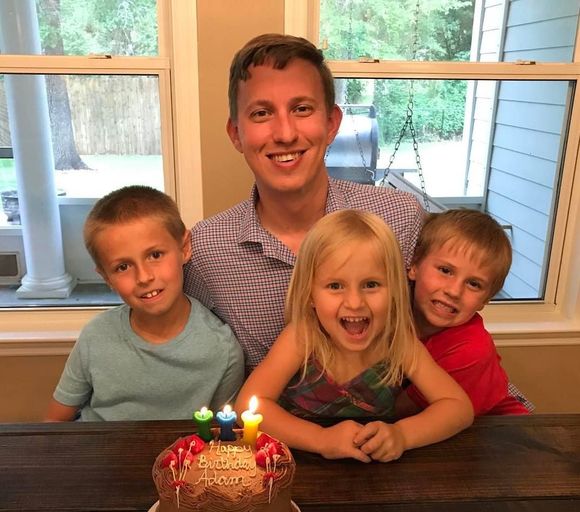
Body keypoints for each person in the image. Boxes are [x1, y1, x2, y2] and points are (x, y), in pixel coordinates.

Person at [183, 33, 425, 372]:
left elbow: (449, 338)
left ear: (331, 123)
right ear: (236, 134)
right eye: (262, 113)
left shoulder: (400, 219)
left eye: (302, 109)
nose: (285, 134)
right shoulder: (207, 250)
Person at [234, 210, 473, 463]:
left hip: (376, 465)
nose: (355, 302)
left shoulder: (398, 342)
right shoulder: (302, 336)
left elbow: (458, 407)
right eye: (335, 286)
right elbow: (248, 405)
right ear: (310, 295)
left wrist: (402, 435)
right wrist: (321, 439)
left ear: (394, 290)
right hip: (299, 462)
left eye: (371, 285)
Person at [45, 186, 244, 422]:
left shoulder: (223, 350)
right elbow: (55, 422)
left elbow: (222, 434)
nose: (144, 277)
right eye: (123, 267)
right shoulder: (96, 335)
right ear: (107, 278)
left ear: (184, 248)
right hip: (98, 444)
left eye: (155, 255)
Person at [397, 209, 532, 417]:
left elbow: (399, 411)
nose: (454, 291)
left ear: (485, 300)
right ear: (414, 266)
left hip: (498, 427)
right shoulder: (391, 312)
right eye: (445, 270)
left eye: (474, 284)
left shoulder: (471, 349)